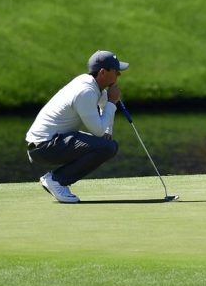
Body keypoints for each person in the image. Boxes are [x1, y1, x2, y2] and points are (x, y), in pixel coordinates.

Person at [25, 50, 128, 204]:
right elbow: (98, 130)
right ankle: (56, 180)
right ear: (102, 72)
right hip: (44, 147)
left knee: (107, 145)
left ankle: (56, 179)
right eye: (115, 71)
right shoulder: (85, 92)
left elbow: (102, 110)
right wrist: (112, 103)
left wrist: (108, 129)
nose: (119, 74)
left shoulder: (90, 83)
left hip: (49, 143)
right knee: (107, 147)